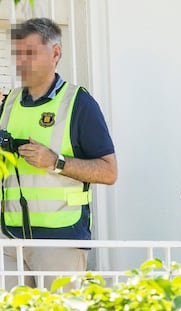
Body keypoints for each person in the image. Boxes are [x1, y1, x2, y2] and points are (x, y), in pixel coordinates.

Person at [0, 17, 117, 289]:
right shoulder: (9, 103)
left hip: (59, 242)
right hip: (9, 240)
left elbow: (109, 172)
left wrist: (56, 161)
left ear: (55, 53)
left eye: (31, 52)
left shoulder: (79, 103)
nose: (22, 62)